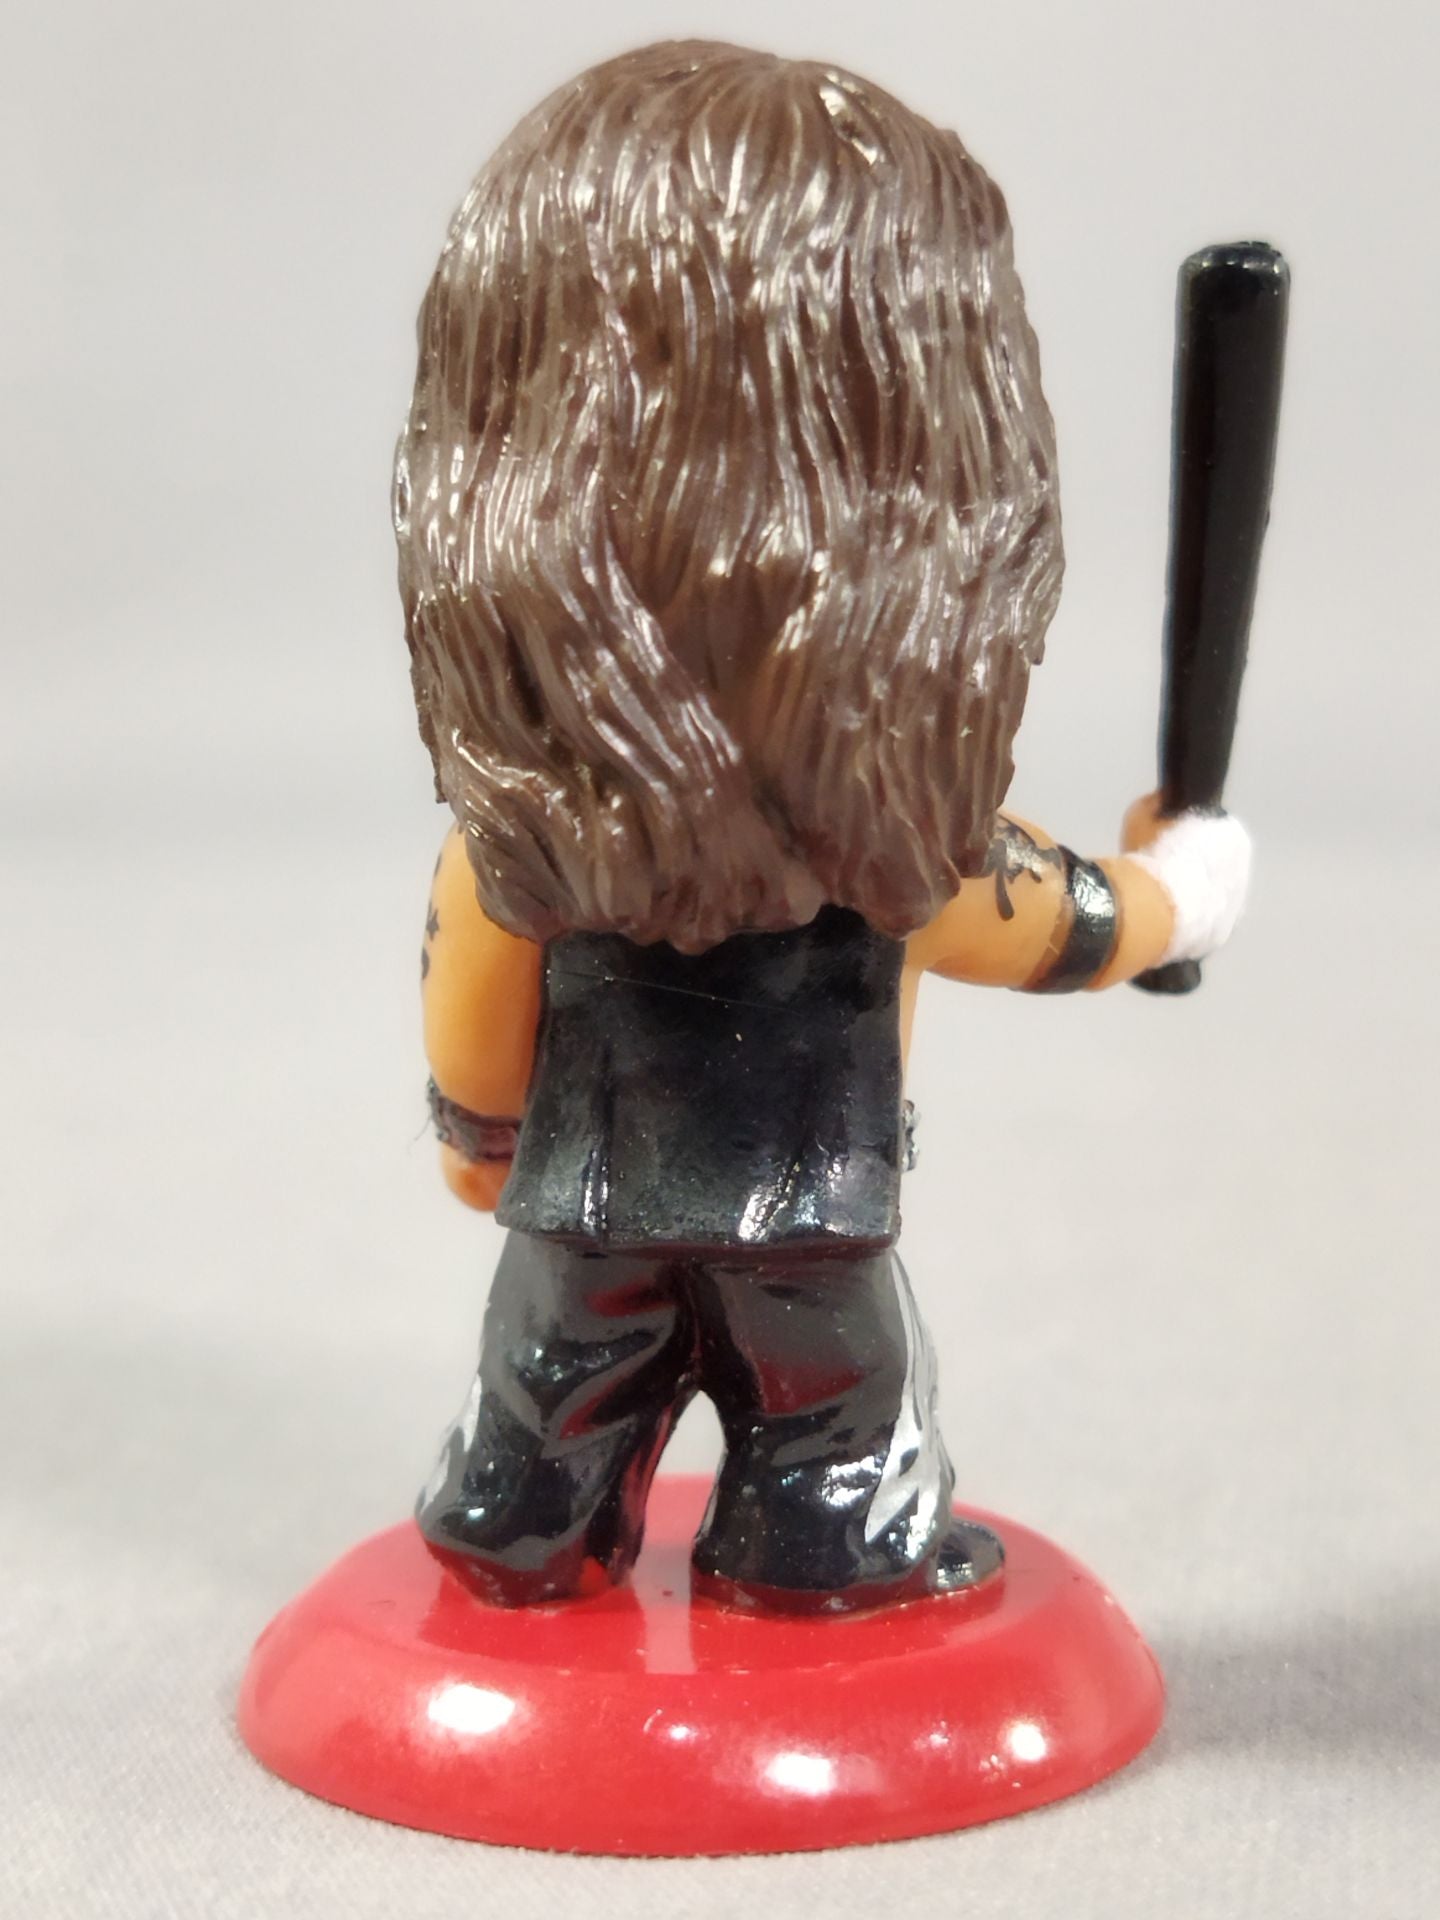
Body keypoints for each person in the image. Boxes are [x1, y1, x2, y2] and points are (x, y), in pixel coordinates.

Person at [393, 41, 1250, 1613]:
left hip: (581, 1203)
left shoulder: (532, 829)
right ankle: (823, 1546)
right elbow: (1056, 919)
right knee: (838, 1418)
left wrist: (483, 1137)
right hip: (813, 1213)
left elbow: (474, 977)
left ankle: (516, 1519)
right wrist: (1182, 891)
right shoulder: (908, 851)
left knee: (547, 1380)